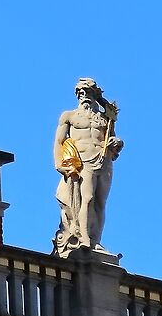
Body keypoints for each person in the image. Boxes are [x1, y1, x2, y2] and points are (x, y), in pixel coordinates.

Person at [52, 78, 123, 255]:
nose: (84, 96)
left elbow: (112, 124)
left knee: (100, 202)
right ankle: (84, 238)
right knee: (88, 198)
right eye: (81, 93)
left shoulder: (105, 118)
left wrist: (117, 142)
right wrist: (59, 164)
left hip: (104, 160)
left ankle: (96, 240)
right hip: (83, 161)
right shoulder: (69, 116)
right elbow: (59, 142)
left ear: (94, 94)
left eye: (88, 92)